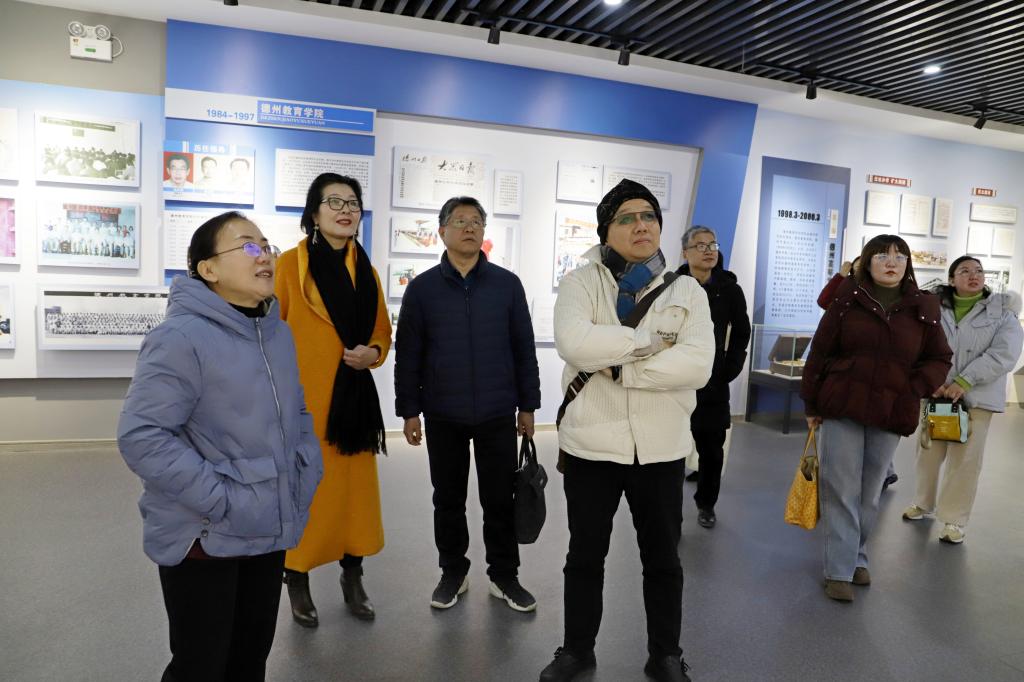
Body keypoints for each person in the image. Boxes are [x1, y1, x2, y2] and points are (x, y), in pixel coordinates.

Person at [117, 211, 322, 681]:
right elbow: (142, 436)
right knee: (201, 666)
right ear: (208, 269)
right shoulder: (180, 338)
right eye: (248, 246)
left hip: (269, 524)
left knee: (249, 661)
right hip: (207, 536)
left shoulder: (276, 332)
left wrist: (306, 469)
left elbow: (297, 412)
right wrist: (221, 499)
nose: (264, 255)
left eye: (266, 246)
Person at [540, 179, 715, 682]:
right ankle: (577, 650)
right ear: (606, 230)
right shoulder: (581, 283)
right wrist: (652, 343)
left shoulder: (686, 290)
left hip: (660, 448)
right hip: (591, 444)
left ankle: (665, 655)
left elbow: (697, 365)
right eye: (627, 217)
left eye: (649, 216)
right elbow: (575, 343)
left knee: (663, 560)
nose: (641, 225)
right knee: (584, 556)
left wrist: (621, 366)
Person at [394, 195, 541, 613]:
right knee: (448, 499)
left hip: (497, 412)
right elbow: (409, 354)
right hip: (443, 413)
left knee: (499, 499)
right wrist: (409, 411)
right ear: (442, 231)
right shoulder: (422, 289)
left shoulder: (506, 285)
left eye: (477, 221)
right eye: (460, 221)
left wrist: (528, 405)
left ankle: (504, 576)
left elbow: (524, 349)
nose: (470, 227)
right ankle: (453, 573)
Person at [801, 234, 951, 602]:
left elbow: (939, 358)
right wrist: (811, 404)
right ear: (866, 262)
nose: (891, 262)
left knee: (870, 493)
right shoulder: (846, 300)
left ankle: (857, 557)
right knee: (840, 489)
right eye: (882, 255)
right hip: (842, 405)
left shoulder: (924, 306)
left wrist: (912, 387)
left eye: (899, 256)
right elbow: (820, 351)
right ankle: (839, 570)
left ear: (907, 264)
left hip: (891, 409)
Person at [276, 173, 392, 626]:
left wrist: (373, 353)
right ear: (313, 213)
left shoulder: (366, 270)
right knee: (304, 492)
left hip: (353, 407)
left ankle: (353, 574)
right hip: (304, 405)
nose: (346, 210)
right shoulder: (290, 266)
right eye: (334, 202)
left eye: (353, 202)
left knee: (352, 499)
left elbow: (382, 330)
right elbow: (270, 332)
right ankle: (297, 578)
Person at [902, 256, 1022, 544]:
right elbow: (917, 345)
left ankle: (954, 520)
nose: (973, 275)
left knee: (965, 460)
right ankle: (923, 502)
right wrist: (933, 380)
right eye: (965, 271)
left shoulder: (1002, 313)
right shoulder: (933, 308)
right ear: (951, 278)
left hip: (975, 398)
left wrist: (964, 381)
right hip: (937, 392)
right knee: (928, 452)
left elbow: (1004, 354)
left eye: (978, 270)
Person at [677, 225, 751, 529]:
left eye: (713, 245)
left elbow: (742, 332)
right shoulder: (673, 286)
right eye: (700, 245)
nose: (709, 251)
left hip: (713, 383)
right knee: (672, 450)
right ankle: (670, 511)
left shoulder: (729, 288)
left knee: (712, 451)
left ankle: (706, 504)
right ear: (685, 252)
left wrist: (729, 368)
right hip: (677, 382)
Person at [816, 257, 900, 491]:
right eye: (858, 267)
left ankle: (885, 471)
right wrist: (841, 276)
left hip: (877, 375)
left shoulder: (885, 295)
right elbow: (824, 301)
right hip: (847, 374)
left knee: (876, 427)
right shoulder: (848, 291)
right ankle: (877, 473)